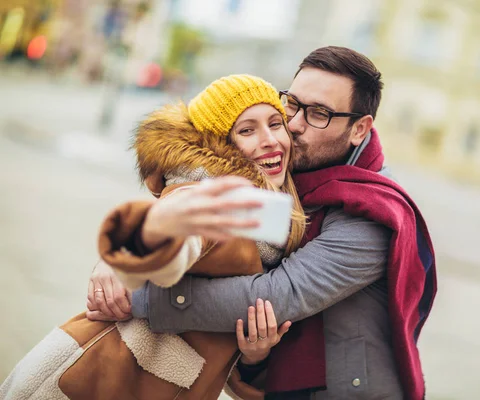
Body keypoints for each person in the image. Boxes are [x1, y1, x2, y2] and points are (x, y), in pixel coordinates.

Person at [93, 46, 438, 400]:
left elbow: (276, 294)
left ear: (359, 129)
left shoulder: (372, 216)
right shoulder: (286, 180)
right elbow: (201, 221)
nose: (294, 124)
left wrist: (137, 298)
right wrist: (124, 255)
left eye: (319, 113)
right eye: (292, 103)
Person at [0, 74, 303, 400]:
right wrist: (141, 243)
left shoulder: (272, 226)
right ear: (221, 145)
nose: (270, 139)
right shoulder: (209, 200)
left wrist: (253, 353)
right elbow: (180, 240)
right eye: (247, 130)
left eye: (276, 123)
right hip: (85, 380)